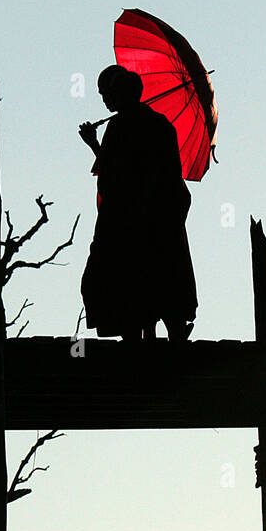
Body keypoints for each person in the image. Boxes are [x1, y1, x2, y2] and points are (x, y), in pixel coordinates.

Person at [79, 65, 197, 342]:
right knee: (162, 277)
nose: (105, 101)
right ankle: (169, 336)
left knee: (127, 280)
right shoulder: (161, 125)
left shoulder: (120, 126)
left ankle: (141, 343)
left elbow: (115, 175)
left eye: (106, 94)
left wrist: (93, 145)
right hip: (161, 221)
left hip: (129, 223)